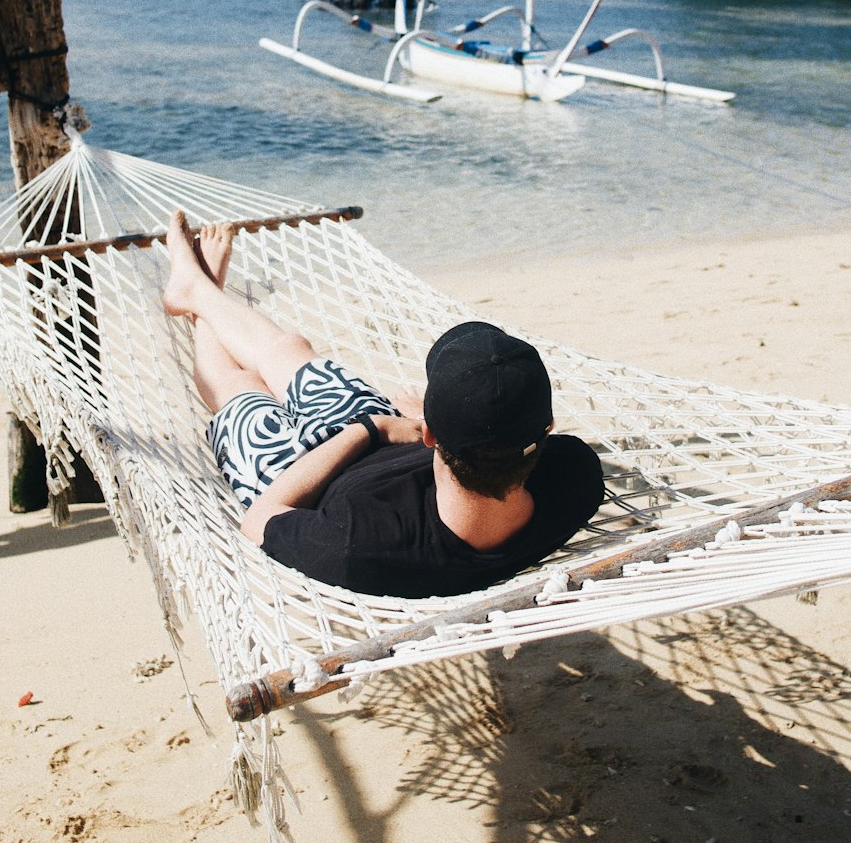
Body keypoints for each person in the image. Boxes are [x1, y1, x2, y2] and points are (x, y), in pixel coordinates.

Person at [163, 212, 604, 599]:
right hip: (391, 433)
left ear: (432, 436)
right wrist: (411, 423)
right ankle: (200, 290)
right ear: (545, 429)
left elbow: (260, 519)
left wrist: (372, 429)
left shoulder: (361, 544)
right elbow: (497, 442)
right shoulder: (575, 474)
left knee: (240, 385)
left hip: (298, 476)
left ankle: (200, 296)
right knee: (289, 348)